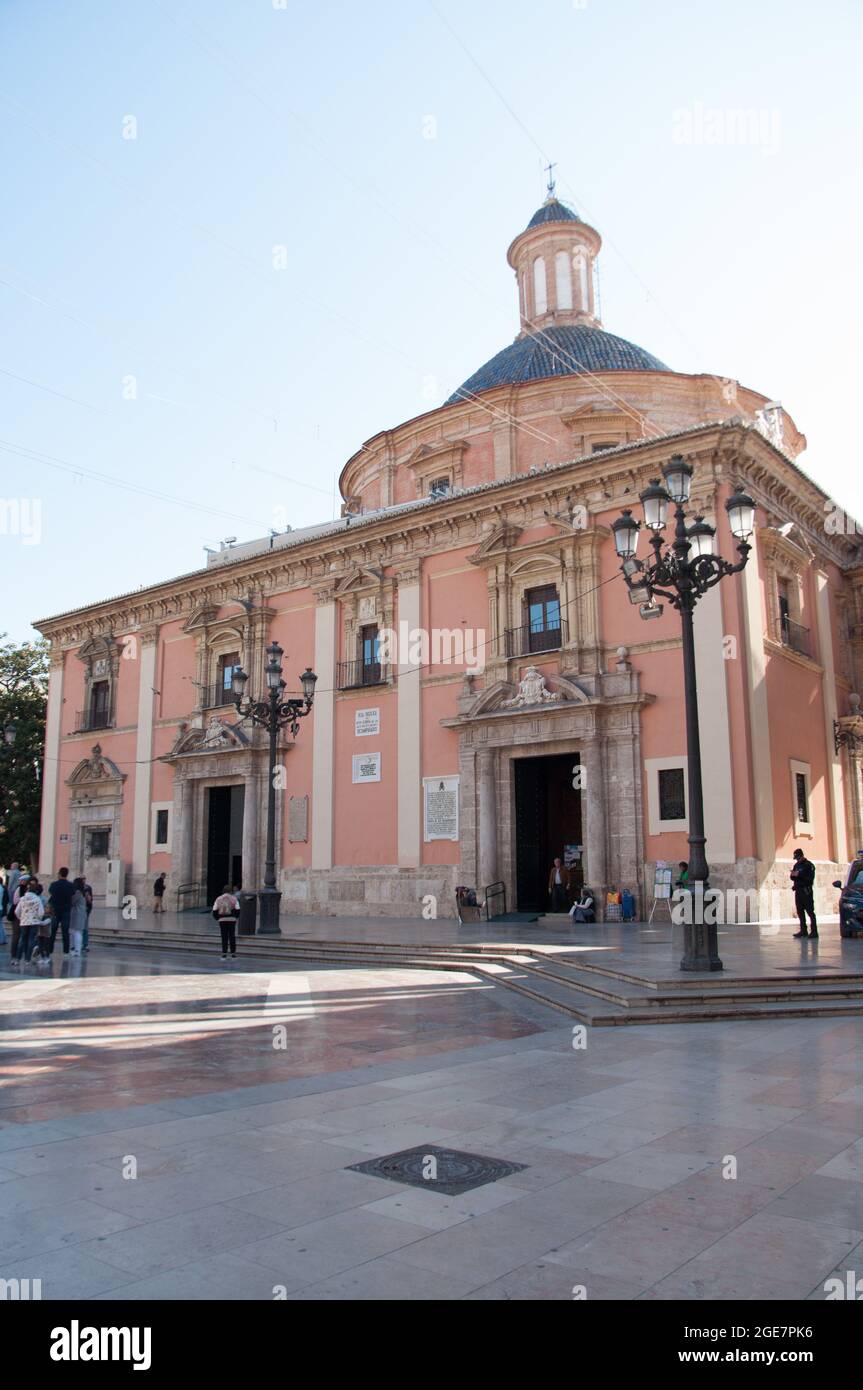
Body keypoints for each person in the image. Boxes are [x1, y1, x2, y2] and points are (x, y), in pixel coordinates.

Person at [13, 880, 45, 968]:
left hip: (24, 922)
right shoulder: (37, 899)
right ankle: (27, 959)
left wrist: (21, 918)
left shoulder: (22, 899)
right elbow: (41, 912)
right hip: (34, 922)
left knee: (22, 939)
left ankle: (17, 959)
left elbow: (17, 911)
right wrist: (38, 918)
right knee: (31, 940)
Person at [48, 867, 75, 956]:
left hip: (55, 910)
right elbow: (72, 895)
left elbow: (51, 893)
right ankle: (66, 951)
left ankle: (50, 949)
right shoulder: (71, 885)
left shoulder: (54, 884)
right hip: (66, 910)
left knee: (53, 931)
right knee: (65, 931)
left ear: (59, 874)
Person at [791, 847, 817, 938]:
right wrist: (793, 875)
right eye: (796, 858)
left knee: (810, 911)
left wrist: (799, 875)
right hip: (798, 891)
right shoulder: (796, 865)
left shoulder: (809, 865)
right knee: (800, 911)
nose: (797, 860)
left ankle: (814, 931)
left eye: (798, 857)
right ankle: (803, 930)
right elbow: (793, 876)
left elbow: (810, 879)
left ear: (801, 856)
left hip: (806, 891)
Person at [212, 885, 240, 960]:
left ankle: (224, 954)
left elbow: (214, 910)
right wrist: (235, 917)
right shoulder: (234, 898)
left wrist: (218, 918)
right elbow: (238, 909)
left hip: (222, 920)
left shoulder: (218, 899)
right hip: (231, 920)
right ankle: (233, 954)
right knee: (232, 936)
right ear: (230, 891)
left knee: (224, 936)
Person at [69, 878, 88, 955]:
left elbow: (72, 901)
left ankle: (77, 950)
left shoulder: (78, 893)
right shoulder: (82, 892)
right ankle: (76, 949)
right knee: (77, 932)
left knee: (76, 932)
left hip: (77, 914)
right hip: (81, 914)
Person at [81, 876, 93, 952]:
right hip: (81, 910)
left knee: (84, 928)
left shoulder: (88, 888)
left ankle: (85, 944)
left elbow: (90, 900)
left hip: (85, 910)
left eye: (84, 878)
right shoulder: (77, 888)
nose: (83, 880)